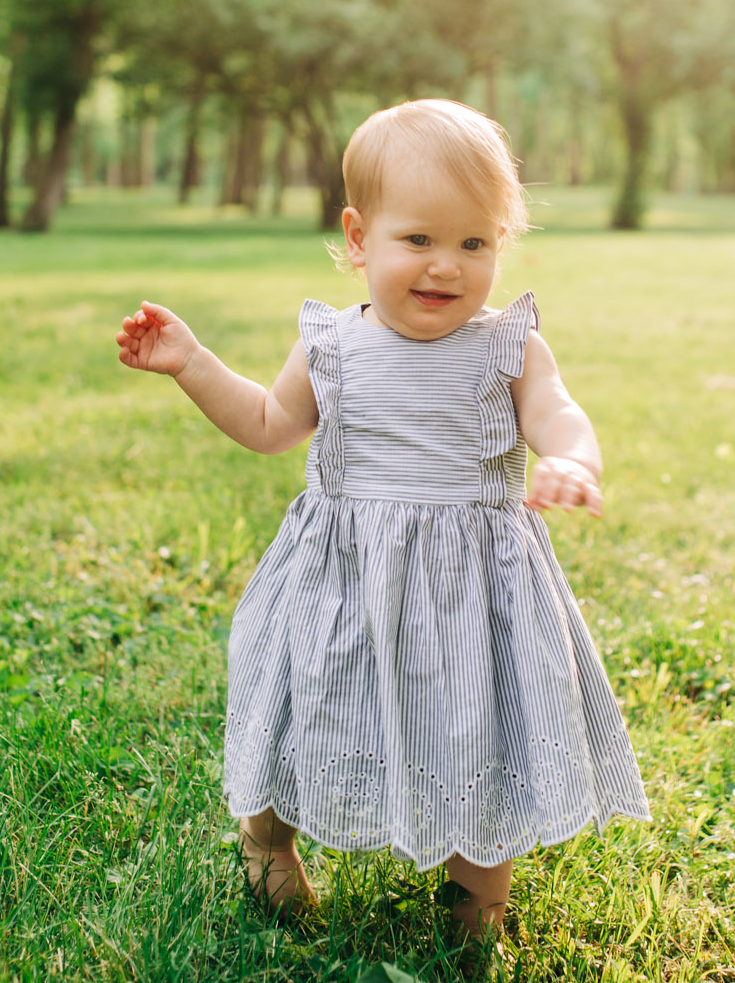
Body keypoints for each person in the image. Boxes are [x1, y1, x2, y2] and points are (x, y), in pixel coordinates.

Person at [114, 98, 651, 945]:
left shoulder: (508, 345)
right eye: (419, 240)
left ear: (500, 245)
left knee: (477, 738)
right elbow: (266, 423)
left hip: (472, 595)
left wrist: (573, 458)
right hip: (341, 584)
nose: (446, 266)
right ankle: (268, 844)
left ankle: (472, 912)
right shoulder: (331, 345)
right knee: (303, 707)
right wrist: (192, 362)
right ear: (359, 237)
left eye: (474, 243)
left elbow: (557, 411)